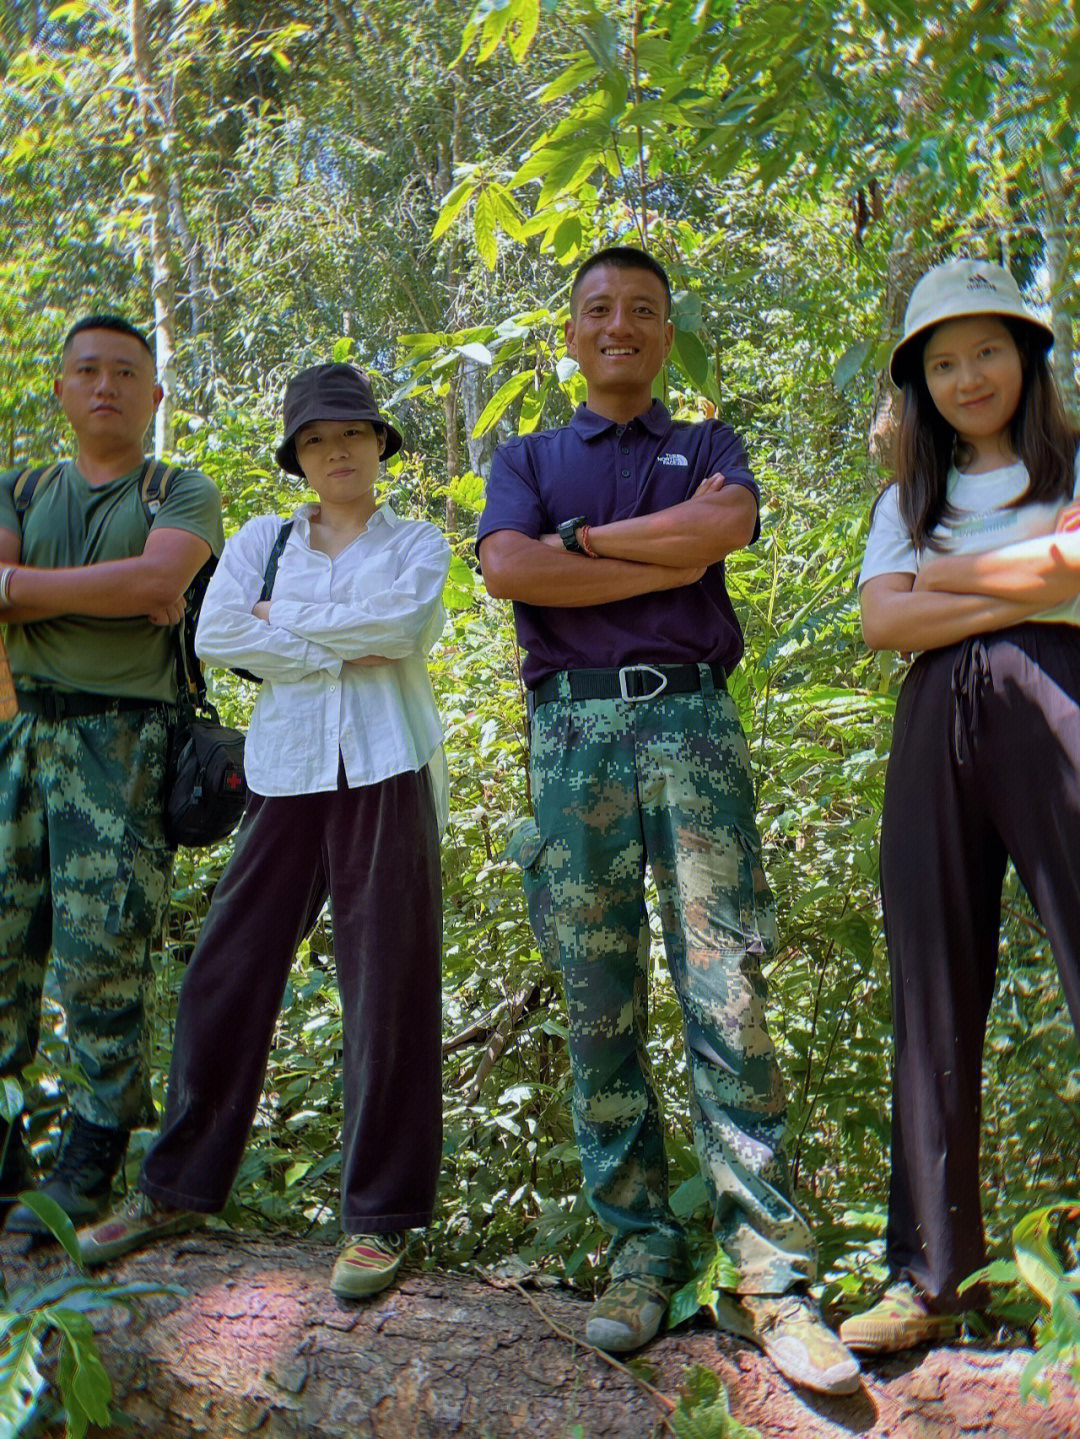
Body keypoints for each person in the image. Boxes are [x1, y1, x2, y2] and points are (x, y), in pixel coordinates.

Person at [477, 245, 860, 1396]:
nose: (621, 325)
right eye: (600, 307)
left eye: (642, 309)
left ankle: (769, 1273)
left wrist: (582, 551)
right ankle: (638, 1249)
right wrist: (646, 550)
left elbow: (720, 532)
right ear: (573, 327)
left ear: (665, 328)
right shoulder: (530, 454)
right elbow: (507, 569)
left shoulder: (709, 445)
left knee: (726, 988)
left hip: (692, 726)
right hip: (574, 734)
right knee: (598, 997)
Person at [78, 362, 449, 1299]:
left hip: (386, 766)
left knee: (388, 983)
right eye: (319, 440)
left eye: (353, 435)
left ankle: (380, 1218)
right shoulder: (257, 541)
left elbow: (400, 630)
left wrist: (286, 623)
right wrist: (327, 630)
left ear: (379, 445)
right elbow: (218, 637)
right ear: (299, 457)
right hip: (284, 773)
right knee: (227, 968)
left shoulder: (418, 545)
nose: (338, 451)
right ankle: (177, 1185)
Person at [842, 258, 1080, 1354]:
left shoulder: (1074, 463)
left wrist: (945, 581)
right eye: (941, 361)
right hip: (934, 723)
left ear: (1026, 357)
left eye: (986, 349)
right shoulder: (906, 501)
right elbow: (881, 626)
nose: (967, 375)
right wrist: (1030, 572)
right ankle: (932, 1279)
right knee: (933, 982)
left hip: (1056, 700)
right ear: (919, 384)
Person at [0, 316, 224, 1235]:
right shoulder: (19, 485)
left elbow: (157, 584)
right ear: (59, 389)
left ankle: (90, 1156)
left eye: (126, 373)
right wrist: (120, 588)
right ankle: (6, 1150)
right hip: (19, 732)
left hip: (123, 742)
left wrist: (21, 592)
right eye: (86, 371)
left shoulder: (180, 488)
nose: (105, 387)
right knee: (5, 948)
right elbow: (134, 590)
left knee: (103, 955)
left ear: (154, 394)